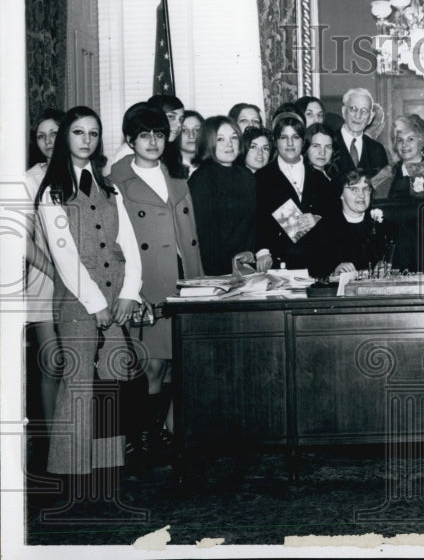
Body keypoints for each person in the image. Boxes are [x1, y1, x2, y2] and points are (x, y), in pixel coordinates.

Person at [35, 106, 142, 482]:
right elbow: (64, 257)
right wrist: (96, 305)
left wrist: (130, 293)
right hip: (79, 301)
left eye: (93, 133)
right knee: (79, 382)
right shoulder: (54, 191)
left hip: (116, 295)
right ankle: (70, 470)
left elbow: (127, 241)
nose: (86, 140)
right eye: (78, 132)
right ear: (67, 137)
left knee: (112, 378)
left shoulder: (108, 185)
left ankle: (108, 465)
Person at [109, 103, 204, 458]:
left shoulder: (175, 176)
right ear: (131, 140)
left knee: (178, 360)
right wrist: (129, 289)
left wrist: (199, 281)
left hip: (183, 278)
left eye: (159, 134)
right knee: (151, 362)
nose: (153, 142)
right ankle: (145, 435)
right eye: (145, 135)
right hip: (146, 279)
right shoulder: (117, 181)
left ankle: (164, 429)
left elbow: (190, 236)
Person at [24, 107, 64, 462]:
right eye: (41, 136)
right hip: (46, 281)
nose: (49, 141)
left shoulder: (84, 173)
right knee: (53, 363)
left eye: (55, 133)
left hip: (84, 284)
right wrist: (56, 270)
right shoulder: (28, 180)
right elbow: (21, 241)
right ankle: (52, 447)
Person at [255, 113, 336, 270]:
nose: (290, 143)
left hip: (316, 263)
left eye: (296, 137)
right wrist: (262, 252)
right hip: (279, 264)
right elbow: (257, 220)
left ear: (303, 141)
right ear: (276, 141)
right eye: (284, 137)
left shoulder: (320, 178)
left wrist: (317, 219)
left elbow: (334, 218)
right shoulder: (262, 177)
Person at [188, 116, 259, 276]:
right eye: (220, 139)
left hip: (246, 268)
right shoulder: (201, 179)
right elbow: (205, 237)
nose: (229, 144)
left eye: (234, 137)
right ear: (208, 142)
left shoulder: (246, 175)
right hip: (216, 273)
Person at [307, 168, 393, 278]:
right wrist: (334, 273)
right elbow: (315, 270)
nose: (361, 195)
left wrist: (386, 267)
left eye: (366, 189)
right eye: (354, 189)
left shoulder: (382, 225)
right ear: (341, 194)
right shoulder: (325, 228)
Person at [333, 88, 389, 178]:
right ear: (343, 111)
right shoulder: (329, 143)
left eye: (364, 111)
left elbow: (382, 189)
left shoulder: (377, 150)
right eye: (353, 109)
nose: (358, 116)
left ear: (370, 118)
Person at [178, 110, 204, 177]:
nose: (191, 135)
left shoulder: (213, 165)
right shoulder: (164, 169)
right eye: (184, 130)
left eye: (197, 130)